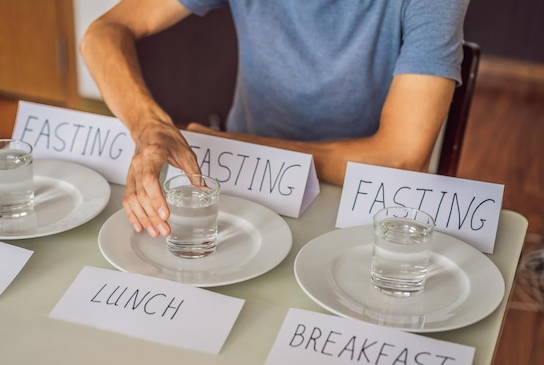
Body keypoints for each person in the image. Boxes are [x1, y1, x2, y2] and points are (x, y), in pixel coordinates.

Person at [80, 0, 469, 238]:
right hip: (244, 184)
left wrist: (236, 146)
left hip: (357, 198)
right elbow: (104, 32)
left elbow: (402, 156)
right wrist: (150, 126)